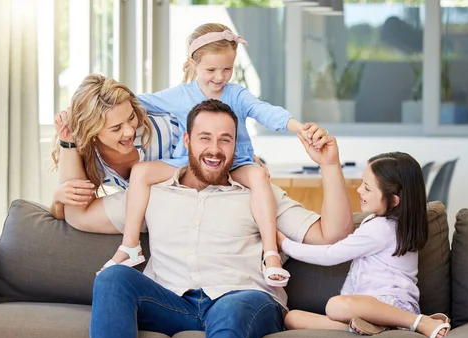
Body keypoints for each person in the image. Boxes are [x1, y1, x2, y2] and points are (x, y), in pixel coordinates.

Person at [88, 99, 353, 338]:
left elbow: (332, 235)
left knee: (233, 306)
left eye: (225, 139)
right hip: (171, 303)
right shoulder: (152, 191)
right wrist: (63, 175)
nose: (214, 149)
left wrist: (329, 164)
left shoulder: (259, 193)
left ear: (235, 145)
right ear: (187, 141)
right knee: (112, 278)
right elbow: (79, 216)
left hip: (243, 302)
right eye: (205, 138)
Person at [106, 23, 313, 286]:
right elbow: (137, 101)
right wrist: (92, 104)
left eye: (227, 69)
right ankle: (130, 245)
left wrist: (299, 128)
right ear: (193, 63)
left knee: (259, 175)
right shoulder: (180, 96)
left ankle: (271, 252)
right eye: (211, 70)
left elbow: (265, 111)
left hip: (235, 162)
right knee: (141, 171)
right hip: (189, 163)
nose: (220, 77)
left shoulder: (236, 94)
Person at [279, 152, 451, 338]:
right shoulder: (388, 223)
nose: (359, 190)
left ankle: (419, 323)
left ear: (394, 201)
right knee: (292, 318)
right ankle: (362, 328)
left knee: (335, 306)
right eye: (362, 183)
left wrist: (284, 244)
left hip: (392, 308)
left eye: (367, 188)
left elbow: (330, 254)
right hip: (369, 311)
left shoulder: (381, 228)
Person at [49, 73, 180, 236]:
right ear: (93, 132)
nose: (130, 131)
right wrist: (57, 199)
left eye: (131, 117)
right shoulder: (87, 154)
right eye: (116, 128)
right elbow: (73, 213)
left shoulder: (165, 129)